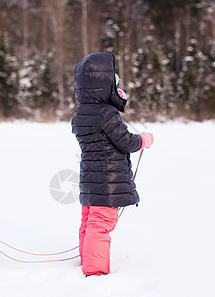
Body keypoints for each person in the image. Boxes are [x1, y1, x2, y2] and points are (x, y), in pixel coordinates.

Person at [71, 52, 154, 276]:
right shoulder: (106, 113)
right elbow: (125, 141)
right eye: (113, 79)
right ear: (102, 83)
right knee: (101, 223)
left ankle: (87, 260)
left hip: (89, 179)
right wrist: (143, 140)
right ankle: (95, 270)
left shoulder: (80, 112)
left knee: (88, 221)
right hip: (107, 180)